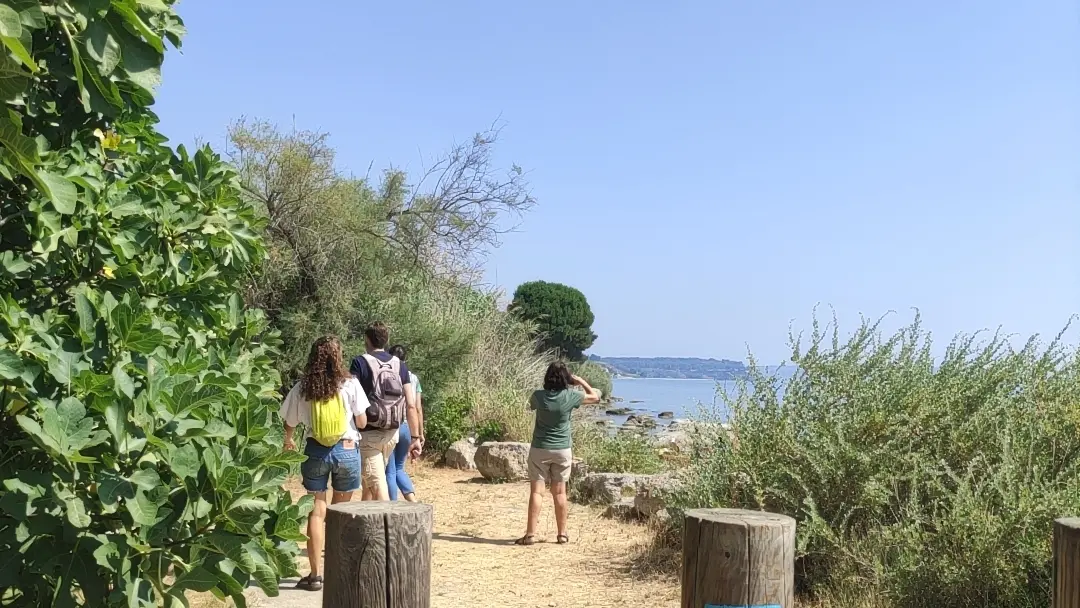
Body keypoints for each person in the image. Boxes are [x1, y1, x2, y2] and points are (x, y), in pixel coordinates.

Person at [280, 336, 369, 591]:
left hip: (315, 452)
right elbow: (362, 422)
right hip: (347, 450)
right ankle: (338, 571)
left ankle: (316, 575)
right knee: (340, 515)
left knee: (316, 513)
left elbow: (290, 422)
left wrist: (288, 440)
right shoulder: (350, 384)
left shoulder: (303, 387)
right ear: (338, 356)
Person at [516, 361, 602, 546]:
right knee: (560, 493)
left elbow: (531, 406)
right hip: (562, 450)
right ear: (567, 379)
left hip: (540, 448)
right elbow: (595, 397)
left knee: (537, 492)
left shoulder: (538, 396)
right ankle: (562, 534)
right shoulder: (570, 396)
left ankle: (530, 534)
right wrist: (580, 381)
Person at [350, 322, 422, 501]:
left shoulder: (360, 362)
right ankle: (365, 526)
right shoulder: (400, 365)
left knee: (379, 489)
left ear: (367, 340)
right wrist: (415, 437)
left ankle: (388, 526)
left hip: (369, 435)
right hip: (393, 434)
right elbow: (411, 405)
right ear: (386, 340)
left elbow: (352, 397)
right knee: (369, 483)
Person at [386, 344, 424, 501]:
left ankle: (392, 505)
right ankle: (413, 501)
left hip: (392, 426)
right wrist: (419, 434)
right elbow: (417, 407)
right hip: (407, 427)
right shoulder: (413, 378)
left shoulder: (387, 374)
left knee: (389, 470)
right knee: (400, 468)